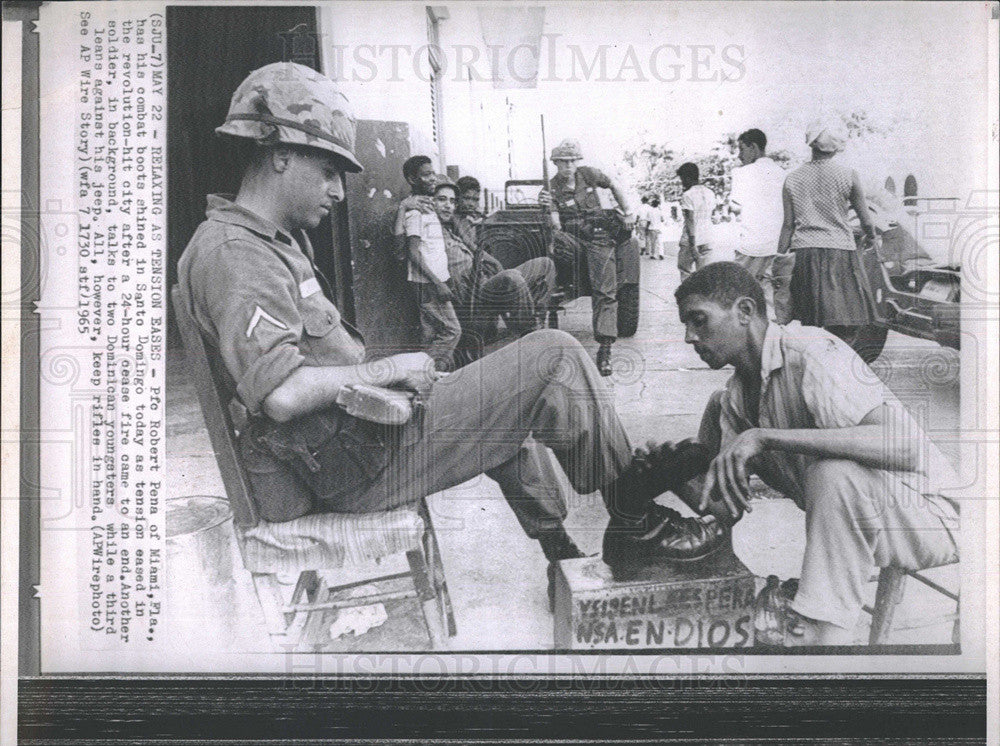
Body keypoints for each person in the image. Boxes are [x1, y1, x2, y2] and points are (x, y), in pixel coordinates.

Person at [176, 63, 725, 613]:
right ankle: (633, 511)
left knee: (512, 393)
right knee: (554, 357)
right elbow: (282, 394)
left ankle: (565, 551)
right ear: (280, 152)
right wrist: (390, 370)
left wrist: (399, 377)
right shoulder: (236, 253)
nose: (339, 191)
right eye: (327, 171)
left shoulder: (271, 242)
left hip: (360, 440)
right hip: (354, 466)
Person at [672, 262, 959, 645]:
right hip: (865, 523)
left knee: (833, 473)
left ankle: (825, 638)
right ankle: (819, 632)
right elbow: (726, 510)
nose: (690, 337)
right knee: (820, 468)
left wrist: (768, 437)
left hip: (933, 517)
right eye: (686, 326)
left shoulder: (812, 351)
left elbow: (903, 446)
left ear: (744, 311)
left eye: (699, 320)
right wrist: (673, 475)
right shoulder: (736, 398)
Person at [538, 139, 636, 376]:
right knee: (552, 243)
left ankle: (604, 349)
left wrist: (628, 211)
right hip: (571, 239)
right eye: (563, 162)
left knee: (605, 291)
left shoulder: (589, 175)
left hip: (598, 237)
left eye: (572, 160)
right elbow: (556, 226)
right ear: (556, 164)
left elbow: (614, 185)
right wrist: (547, 209)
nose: (569, 165)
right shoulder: (551, 189)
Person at [779, 120, 879, 348]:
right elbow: (866, 221)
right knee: (845, 321)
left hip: (804, 253)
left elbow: (787, 226)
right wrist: (871, 237)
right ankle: (835, 362)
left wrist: (779, 258)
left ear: (811, 144)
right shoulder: (848, 175)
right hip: (840, 252)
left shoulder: (792, 179)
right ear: (836, 147)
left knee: (807, 322)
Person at [433, 177, 555, 343]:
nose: (470, 203)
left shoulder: (468, 219)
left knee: (545, 265)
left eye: (475, 199)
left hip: (485, 279)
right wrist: (496, 264)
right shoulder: (454, 219)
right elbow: (474, 249)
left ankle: (536, 319)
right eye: (466, 199)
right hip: (474, 290)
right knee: (511, 277)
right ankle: (529, 332)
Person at [399, 175, 461, 371]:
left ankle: (428, 380)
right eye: (442, 199)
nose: (448, 205)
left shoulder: (434, 220)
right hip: (427, 285)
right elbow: (413, 252)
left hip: (430, 284)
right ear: (430, 200)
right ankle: (424, 374)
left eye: (452, 201)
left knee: (430, 332)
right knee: (452, 331)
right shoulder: (419, 215)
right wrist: (438, 283)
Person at [729, 128, 791, 321]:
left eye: (742, 148)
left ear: (754, 147)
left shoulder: (741, 173)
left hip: (750, 246)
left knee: (742, 298)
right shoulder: (784, 174)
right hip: (778, 246)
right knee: (773, 299)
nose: (739, 155)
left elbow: (735, 207)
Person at [676, 162, 716, 279]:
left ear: (687, 178)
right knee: (705, 275)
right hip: (708, 238)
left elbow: (690, 220)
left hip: (690, 241)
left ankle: (688, 297)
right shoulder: (710, 193)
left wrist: (693, 245)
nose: (682, 182)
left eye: (682, 179)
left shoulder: (687, 195)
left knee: (685, 272)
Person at [454, 174, 485, 246]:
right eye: (467, 198)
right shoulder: (452, 219)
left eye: (475, 200)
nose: (472, 204)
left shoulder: (476, 218)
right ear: (457, 197)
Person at [645, 195, 665, 260]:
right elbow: (662, 220)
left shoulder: (649, 211)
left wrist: (646, 228)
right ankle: (661, 254)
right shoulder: (660, 211)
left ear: (652, 204)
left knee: (653, 242)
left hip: (652, 228)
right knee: (660, 242)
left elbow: (648, 221)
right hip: (659, 228)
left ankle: (653, 254)